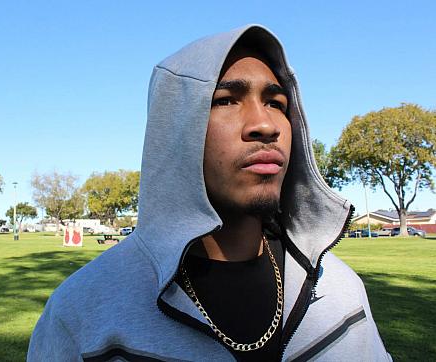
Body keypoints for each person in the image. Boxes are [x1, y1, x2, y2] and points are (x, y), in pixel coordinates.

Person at [28, 24, 391, 361]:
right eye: (226, 100)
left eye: (276, 104)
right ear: (173, 130)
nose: (265, 125)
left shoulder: (341, 294)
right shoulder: (82, 313)